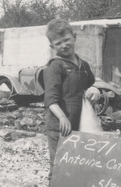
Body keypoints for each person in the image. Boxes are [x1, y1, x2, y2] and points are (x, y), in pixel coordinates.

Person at [41, 18, 100, 168]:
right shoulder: (55, 67)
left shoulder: (83, 65)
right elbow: (50, 100)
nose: (64, 45)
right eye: (58, 43)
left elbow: (89, 85)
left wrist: (94, 91)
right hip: (60, 125)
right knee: (59, 165)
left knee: (78, 164)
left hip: (80, 121)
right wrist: (62, 117)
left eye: (66, 40)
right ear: (51, 46)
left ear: (75, 37)